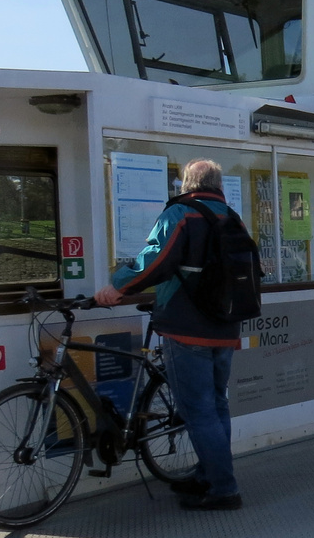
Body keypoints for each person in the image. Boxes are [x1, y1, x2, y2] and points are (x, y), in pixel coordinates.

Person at [95, 159, 244, 511]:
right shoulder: (232, 217)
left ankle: (223, 488)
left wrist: (119, 286)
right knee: (217, 404)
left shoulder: (181, 214)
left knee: (199, 410)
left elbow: (155, 260)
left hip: (188, 326)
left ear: (186, 185)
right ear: (218, 185)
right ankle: (210, 474)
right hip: (226, 326)